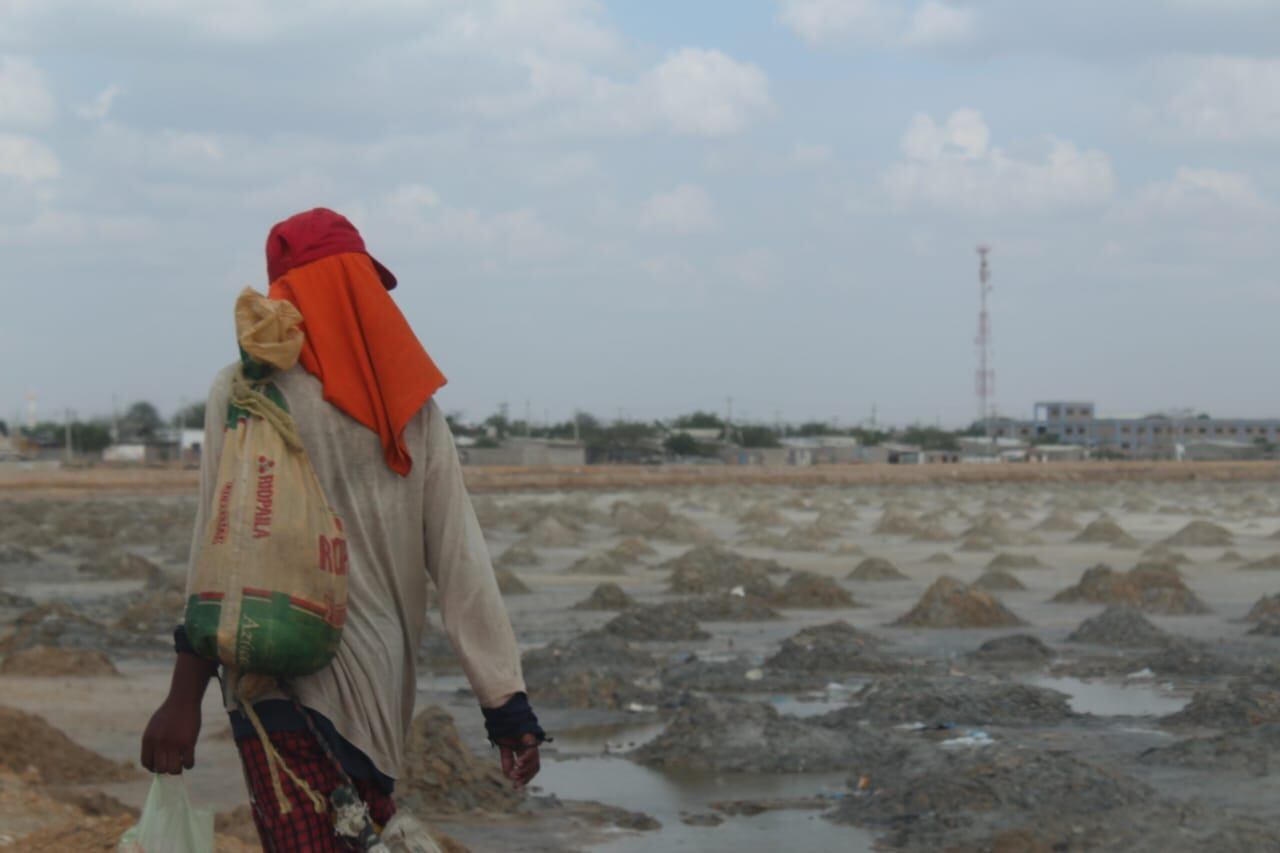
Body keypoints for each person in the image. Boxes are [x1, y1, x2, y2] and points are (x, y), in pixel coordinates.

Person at [140, 208, 544, 850]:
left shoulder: (245, 388)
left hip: (266, 667)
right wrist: (507, 707)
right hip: (377, 690)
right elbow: (461, 559)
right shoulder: (411, 406)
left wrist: (182, 696)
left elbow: (215, 551)